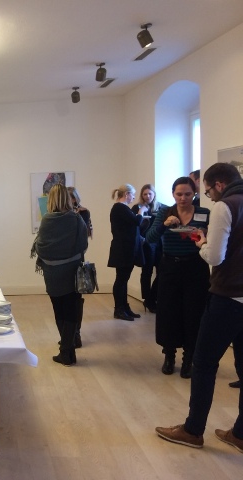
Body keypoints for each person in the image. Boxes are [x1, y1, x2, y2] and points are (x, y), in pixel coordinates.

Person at [155, 162, 243, 453]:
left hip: (228, 295)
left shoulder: (224, 206)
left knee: (204, 364)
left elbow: (215, 257)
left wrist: (202, 242)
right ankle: (240, 434)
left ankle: (193, 430)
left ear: (219, 184)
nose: (209, 196)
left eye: (206, 190)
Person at [146, 176, 210, 378]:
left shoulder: (204, 213)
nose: (183, 198)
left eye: (188, 194)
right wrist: (164, 225)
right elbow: (150, 238)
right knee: (168, 312)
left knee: (194, 312)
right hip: (170, 267)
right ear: (173, 194)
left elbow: (212, 239)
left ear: (195, 193)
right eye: (179, 194)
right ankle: (169, 356)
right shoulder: (165, 212)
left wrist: (201, 234)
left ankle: (188, 358)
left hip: (195, 266)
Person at [32, 184, 88, 366]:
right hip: (72, 271)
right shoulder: (76, 219)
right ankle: (68, 352)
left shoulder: (47, 220)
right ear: (67, 198)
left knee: (59, 310)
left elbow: (40, 246)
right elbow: (83, 245)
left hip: (52, 272)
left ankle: (66, 352)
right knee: (71, 310)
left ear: (51, 199)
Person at [108, 184, 147, 320]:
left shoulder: (122, 208)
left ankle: (124, 307)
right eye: (133, 194)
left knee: (123, 280)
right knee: (121, 280)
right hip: (123, 250)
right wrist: (141, 211)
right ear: (127, 194)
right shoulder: (120, 208)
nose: (134, 197)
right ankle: (119, 309)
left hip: (126, 249)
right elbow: (136, 221)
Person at [132, 184, 167, 313]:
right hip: (146, 243)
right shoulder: (137, 208)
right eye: (145, 194)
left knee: (162, 271)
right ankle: (148, 299)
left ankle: (153, 297)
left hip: (160, 244)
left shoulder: (162, 207)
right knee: (147, 272)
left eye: (150, 194)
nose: (147, 196)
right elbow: (134, 226)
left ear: (154, 194)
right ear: (142, 195)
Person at [68, 186, 92, 347]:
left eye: (71, 197)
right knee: (66, 299)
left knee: (77, 298)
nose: (69, 200)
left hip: (76, 258)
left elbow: (82, 237)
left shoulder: (83, 212)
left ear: (75, 198)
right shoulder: (61, 214)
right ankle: (68, 334)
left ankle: (76, 333)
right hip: (64, 259)